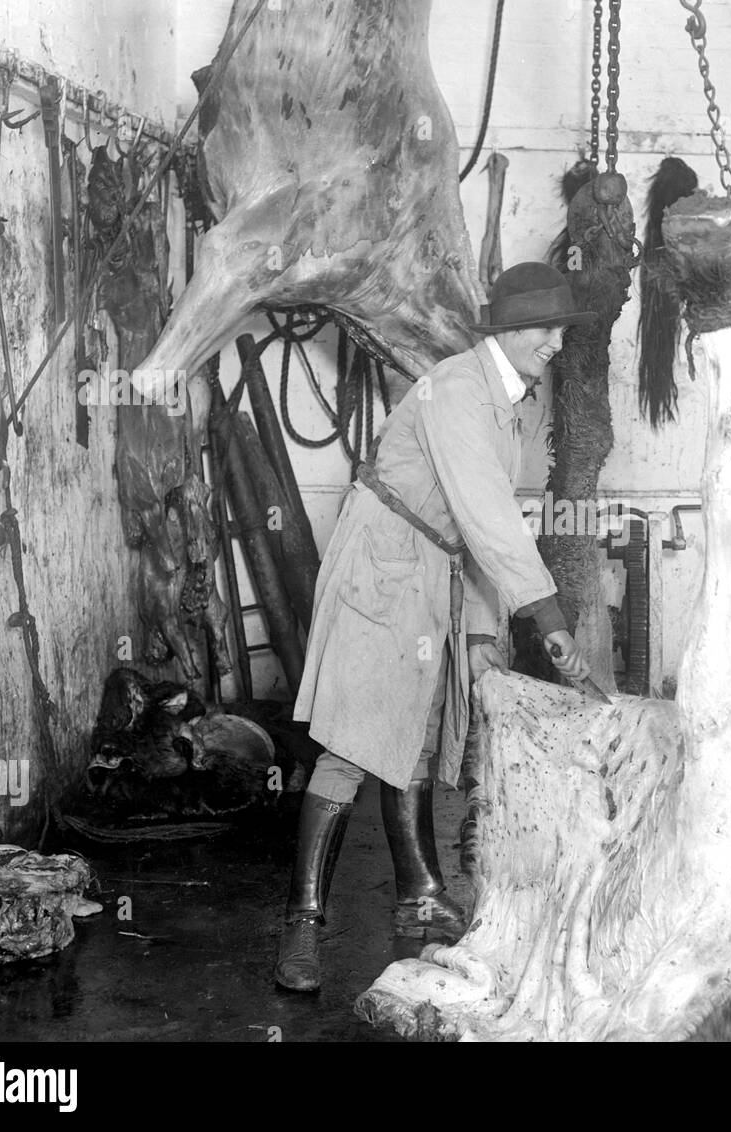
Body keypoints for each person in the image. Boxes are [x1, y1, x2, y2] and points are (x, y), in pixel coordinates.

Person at [275, 262, 595, 992]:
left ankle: (419, 892)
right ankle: (302, 923)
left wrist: (483, 629)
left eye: (561, 329)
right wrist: (544, 615)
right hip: (384, 563)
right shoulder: (457, 389)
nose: (555, 341)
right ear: (508, 329)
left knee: (413, 736)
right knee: (351, 746)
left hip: (431, 566)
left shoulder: (502, 399)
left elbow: (472, 527)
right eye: (546, 327)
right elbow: (487, 516)